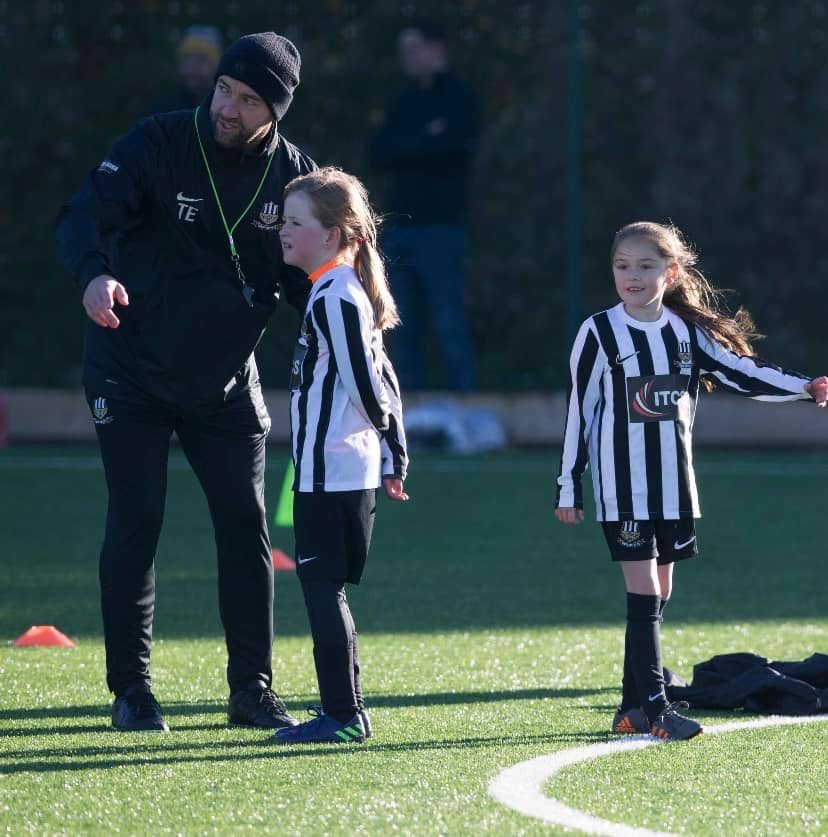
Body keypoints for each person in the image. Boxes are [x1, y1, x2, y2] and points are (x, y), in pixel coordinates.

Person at [55, 32, 317, 733]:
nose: (228, 106)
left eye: (249, 99)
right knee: (137, 518)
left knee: (246, 526)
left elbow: (315, 274)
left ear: (276, 111)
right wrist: (94, 275)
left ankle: (252, 689)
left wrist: (349, 334)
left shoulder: (294, 178)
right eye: (225, 89)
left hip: (226, 385)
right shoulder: (159, 141)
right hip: (130, 368)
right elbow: (84, 215)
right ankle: (131, 691)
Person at [554, 221, 828, 741]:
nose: (631, 276)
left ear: (671, 272)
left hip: (675, 486)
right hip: (623, 490)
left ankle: (631, 703)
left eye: (644, 265)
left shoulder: (686, 334)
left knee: (661, 588)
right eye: (622, 266)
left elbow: (741, 372)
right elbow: (578, 413)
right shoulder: (598, 332)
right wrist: (569, 485)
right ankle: (656, 710)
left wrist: (805, 387)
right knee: (641, 590)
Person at [273, 167, 409, 744]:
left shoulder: (336, 295)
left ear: (331, 235)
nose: (283, 230)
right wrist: (393, 449)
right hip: (330, 468)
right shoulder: (336, 288)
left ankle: (343, 715)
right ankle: (343, 710)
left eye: (295, 222)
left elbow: (366, 379)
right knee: (323, 587)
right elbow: (383, 374)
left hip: (333, 472)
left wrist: (392, 447)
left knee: (321, 589)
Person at [368, 20, 479, 391]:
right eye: (404, 52)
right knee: (401, 321)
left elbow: (456, 148)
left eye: (414, 50)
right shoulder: (403, 101)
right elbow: (380, 152)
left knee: (449, 319)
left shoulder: (460, 97)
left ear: (437, 49)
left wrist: (412, 147)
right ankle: (404, 407)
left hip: (442, 228)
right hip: (400, 229)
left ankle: (466, 409)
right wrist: (425, 141)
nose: (408, 59)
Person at [150, 25, 223, 114]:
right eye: (188, 59)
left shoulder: (226, 109)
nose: (194, 67)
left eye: (202, 59)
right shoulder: (163, 110)